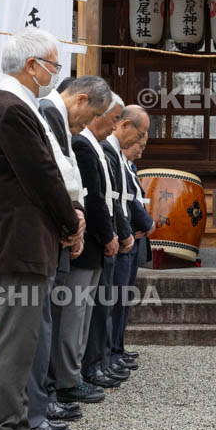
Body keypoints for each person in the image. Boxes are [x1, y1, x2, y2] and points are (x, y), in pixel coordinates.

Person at [0, 27, 83, 430]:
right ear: (31, 65)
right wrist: (69, 220)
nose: (56, 74)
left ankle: (17, 428)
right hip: (18, 242)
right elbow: (42, 175)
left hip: (25, 242)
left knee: (25, 342)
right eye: (53, 65)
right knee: (13, 344)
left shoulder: (16, 106)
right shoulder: (10, 109)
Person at [38, 75, 112, 409]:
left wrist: (77, 216)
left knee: (71, 317)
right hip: (51, 237)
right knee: (58, 321)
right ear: (80, 100)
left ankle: (58, 386)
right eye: (92, 115)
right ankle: (52, 390)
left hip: (71, 233)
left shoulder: (66, 126)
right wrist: (77, 220)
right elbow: (56, 177)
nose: (88, 123)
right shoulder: (48, 115)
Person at [79, 94, 126, 388]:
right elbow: (93, 198)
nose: (115, 126)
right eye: (113, 119)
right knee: (85, 314)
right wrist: (109, 234)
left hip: (104, 237)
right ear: (97, 115)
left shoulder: (98, 147)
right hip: (94, 238)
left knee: (98, 309)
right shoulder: (84, 145)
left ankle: (99, 360)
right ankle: (86, 367)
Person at [103, 106, 148, 377]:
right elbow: (118, 198)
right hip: (120, 235)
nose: (139, 146)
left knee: (122, 298)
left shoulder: (124, 161)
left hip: (128, 234)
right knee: (112, 300)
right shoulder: (108, 152)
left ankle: (114, 350)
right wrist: (127, 230)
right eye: (139, 137)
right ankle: (106, 354)